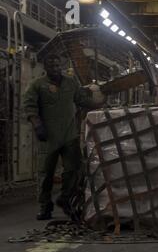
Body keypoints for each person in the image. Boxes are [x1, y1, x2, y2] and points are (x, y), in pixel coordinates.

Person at [23, 54, 105, 220]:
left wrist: (101, 102)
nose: (54, 66)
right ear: (45, 66)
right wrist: (37, 125)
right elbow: (30, 107)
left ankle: (65, 199)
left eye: (57, 64)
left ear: (61, 65)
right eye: (51, 64)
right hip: (48, 137)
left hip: (69, 135)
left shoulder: (71, 82)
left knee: (73, 169)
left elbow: (82, 100)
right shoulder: (37, 85)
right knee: (46, 173)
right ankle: (45, 206)